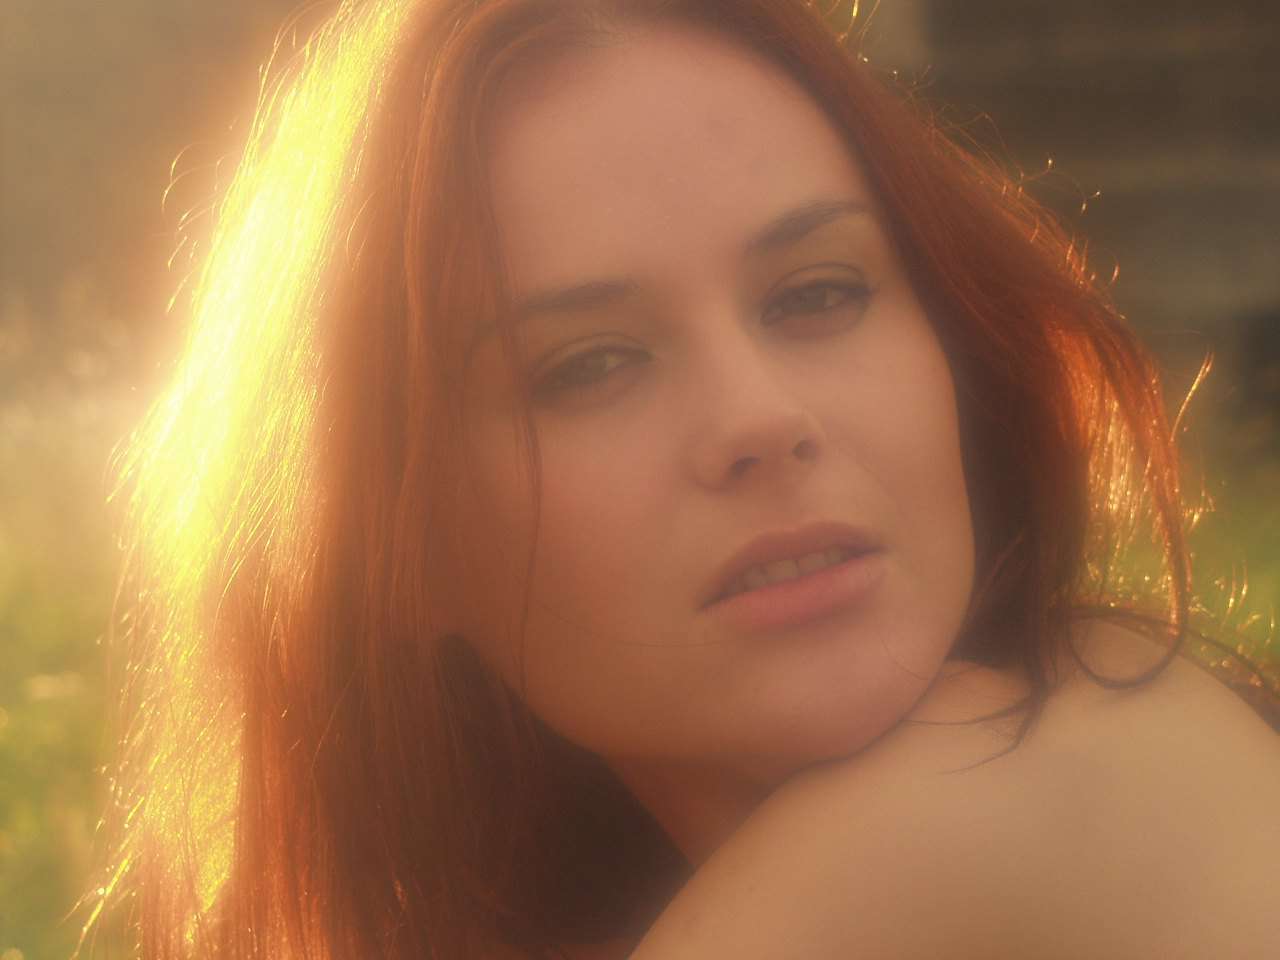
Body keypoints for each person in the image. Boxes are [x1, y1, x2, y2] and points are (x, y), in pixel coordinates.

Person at [92, 1, 1280, 957]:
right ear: (396, 553)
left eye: (817, 293)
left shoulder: (1054, 771)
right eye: (589, 364)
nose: (760, 420)